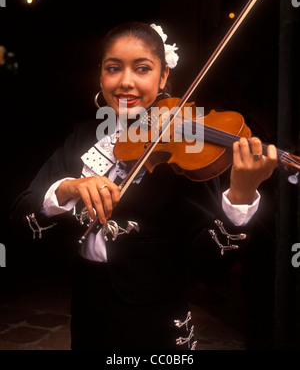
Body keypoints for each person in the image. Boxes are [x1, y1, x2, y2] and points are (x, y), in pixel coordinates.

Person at [10, 21, 278, 350]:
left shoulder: (185, 145)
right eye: (113, 68)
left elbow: (208, 264)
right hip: (88, 314)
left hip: (155, 329)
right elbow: (21, 218)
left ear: (163, 76)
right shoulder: (83, 135)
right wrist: (66, 188)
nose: (126, 82)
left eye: (142, 69)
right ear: (100, 76)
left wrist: (242, 193)